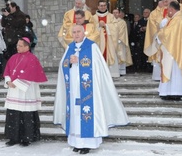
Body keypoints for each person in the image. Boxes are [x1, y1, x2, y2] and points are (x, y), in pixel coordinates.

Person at [53, 24, 129, 154]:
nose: (76, 34)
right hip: (73, 89)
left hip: (88, 90)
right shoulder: (70, 47)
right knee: (75, 116)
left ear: (84, 33)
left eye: (78, 32)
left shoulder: (91, 46)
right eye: (74, 32)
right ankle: (76, 142)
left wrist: (80, 60)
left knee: (86, 114)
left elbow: (98, 65)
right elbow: (63, 65)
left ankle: (87, 144)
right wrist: (69, 63)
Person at [3, 37, 47, 146]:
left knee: (26, 114)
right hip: (13, 90)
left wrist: (16, 83)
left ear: (27, 47)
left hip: (26, 91)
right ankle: (13, 138)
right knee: (14, 114)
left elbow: (30, 73)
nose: (17, 47)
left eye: (20, 45)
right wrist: (8, 81)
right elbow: (7, 71)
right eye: (17, 45)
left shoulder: (32, 58)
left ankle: (27, 137)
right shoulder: (13, 58)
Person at [155, 1, 182, 101]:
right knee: (175, 72)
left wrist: (159, 35)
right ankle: (174, 92)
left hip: (173, 51)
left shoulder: (177, 19)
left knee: (173, 71)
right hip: (176, 50)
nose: (168, 12)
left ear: (171, 9)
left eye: (168, 10)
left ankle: (173, 92)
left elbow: (168, 34)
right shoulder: (179, 18)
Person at [144, 0, 182, 81]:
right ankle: (159, 76)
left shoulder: (179, 7)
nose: (165, 4)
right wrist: (160, 27)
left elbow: (180, 19)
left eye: (167, 1)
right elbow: (153, 24)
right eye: (164, 2)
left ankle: (173, 76)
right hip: (160, 39)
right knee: (160, 57)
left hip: (174, 38)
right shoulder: (156, 11)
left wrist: (167, 21)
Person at [93, 0, 120, 77]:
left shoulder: (111, 16)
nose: (103, 7)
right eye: (101, 6)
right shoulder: (94, 17)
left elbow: (116, 28)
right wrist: (98, 25)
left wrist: (106, 25)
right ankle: (98, 73)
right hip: (98, 42)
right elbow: (91, 29)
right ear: (98, 7)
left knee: (110, 54)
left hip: (109, 42)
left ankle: (111, 73)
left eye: (104, 5)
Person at [112, 8, 133, 75]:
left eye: (116, 12)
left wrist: (118, 39)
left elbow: (122, 32)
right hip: (112, 42)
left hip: (120, 41)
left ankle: (121, 71)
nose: (115, 14)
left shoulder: (122, 22)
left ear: (119, 13)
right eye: (114, 12)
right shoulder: (110, 21)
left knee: (121, 55)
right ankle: (114, 71)